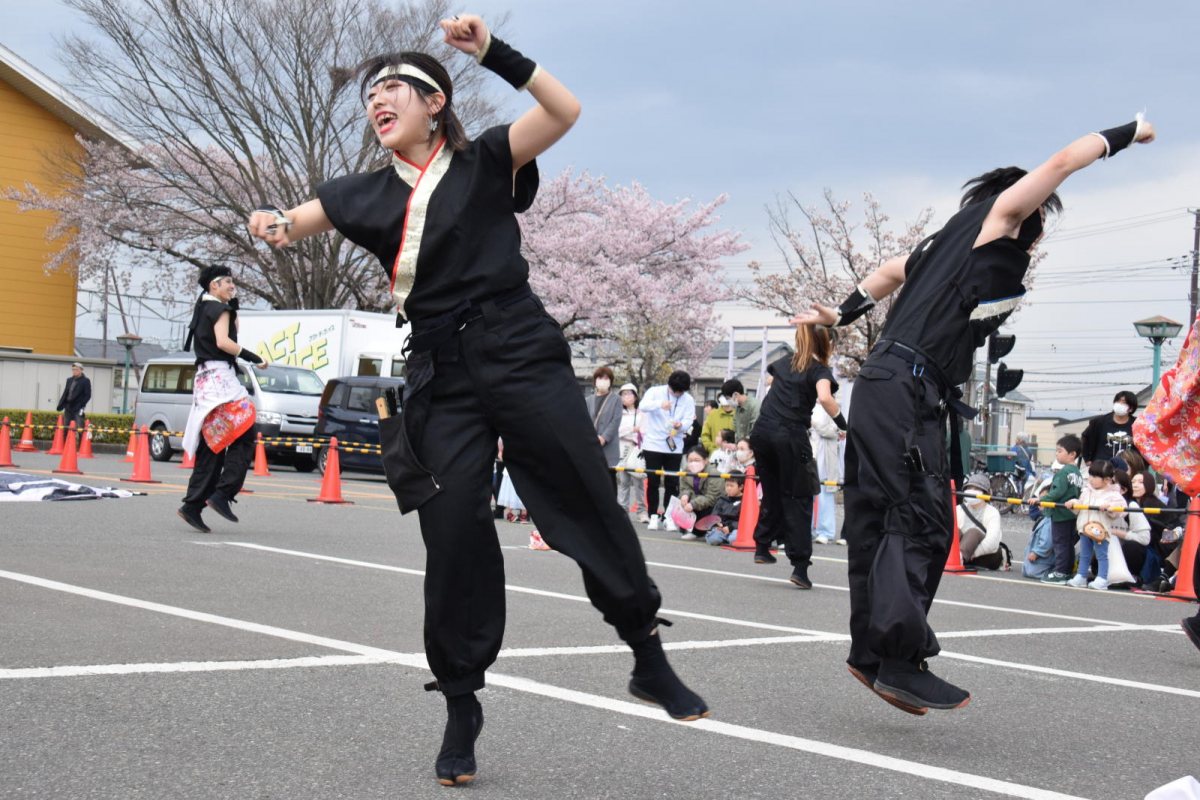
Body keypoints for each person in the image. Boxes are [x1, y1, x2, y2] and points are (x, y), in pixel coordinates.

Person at [246, 18, 708, 785]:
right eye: (369, 95)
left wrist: (494, 52)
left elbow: (564, 112)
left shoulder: (488, 159)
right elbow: (291, 224)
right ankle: (462, 704)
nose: (376, 101)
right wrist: (270, 224)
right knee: (454, 532)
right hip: (441, 373)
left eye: (392, 88)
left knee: (583, 498)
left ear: (436, 102)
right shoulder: (358, 194)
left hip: (520, 349)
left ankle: (646, 654)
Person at [792, 113, 1155, 712]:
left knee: (889, 519)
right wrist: (1131, 129)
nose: (1032, 240)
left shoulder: (939, 245)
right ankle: (898, 661)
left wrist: (840, 314)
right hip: (907, 388)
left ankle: (875, 655)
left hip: (893, 385)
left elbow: (887, 273)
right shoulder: (997, 221)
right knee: (919, 521)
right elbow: (1065, 160)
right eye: (1036, 227)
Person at [748, 323, 845, 588]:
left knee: (772, 490)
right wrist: (844, 423)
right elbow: (825, 398)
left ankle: (763, 545)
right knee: (799, 497)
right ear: (829, 345)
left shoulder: (783, 363)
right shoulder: (819, 370)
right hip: (790, 437)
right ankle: (800, 567)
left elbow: (771, 382)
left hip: (762, 433)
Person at [177, 266, 268, 533]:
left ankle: (193, 505)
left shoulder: (205, 308)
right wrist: (255, 358)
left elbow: (232, 329)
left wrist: (233, 304)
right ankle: (222, 494)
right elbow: (225, 341)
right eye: (227, 281)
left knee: (213, 442)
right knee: (245, 432)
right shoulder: (220, 310)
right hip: (221, 382)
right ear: (213, 286)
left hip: (207, 382)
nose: (232, 285)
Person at [639, 371, 696, 532]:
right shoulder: (655, 391)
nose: (677, 394)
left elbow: (688, 419)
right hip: (653, 444)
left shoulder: (688, 399)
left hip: (674, 445)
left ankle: (669, 515)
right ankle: (652, 515)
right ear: (669, 385)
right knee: (653, 481)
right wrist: (659, 404)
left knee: (672, 482)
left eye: (681, 392)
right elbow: (642, 406)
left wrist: (681, 425)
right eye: (675, 391)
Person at [1065, 460, 1124, 590]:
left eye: (1095, 476)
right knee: (1085, 554)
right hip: (1084, 528)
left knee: (1101, 555)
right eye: (1090, 475)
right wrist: (1073, 503)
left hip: (1100, 530)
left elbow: (1121, 508)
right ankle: (1081, 576)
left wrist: (1110, 507)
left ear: (1107, 479)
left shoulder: (1113, 494)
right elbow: (1080, 504)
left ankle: (1102, 578)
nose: (1091, 479)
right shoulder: (1087, 490)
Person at [1038, 435, 1085, 584]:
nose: (1057, 454)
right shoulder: (1077, 472)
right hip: (1072, 514)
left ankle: (1060, 572)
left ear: (1072, 454)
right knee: (1068, 543)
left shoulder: (1064, 472)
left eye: (1060, 451)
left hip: (1060, 513)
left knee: (1060, 543)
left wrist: (1041, 500)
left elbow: (1057, 492)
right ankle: (1067, 571)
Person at [956, 474, 1005, 570]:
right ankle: (955, 557)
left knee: (973, 532)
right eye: (969, 488)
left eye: (976, 489)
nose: (971, 491)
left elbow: (992, 542)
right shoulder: (958, 509)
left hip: (986, 555)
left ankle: (959, 557)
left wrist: (974, 553)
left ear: (985, 493)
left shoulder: (992, 512)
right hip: (965, 554)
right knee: (954, 530)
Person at [585, 367, 622, 491]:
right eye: (600, 378)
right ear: (595, 380)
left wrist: (604, 437)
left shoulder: (616, 399)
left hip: (609, 446)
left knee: (610, 480)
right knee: (593, 481)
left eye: (606, 378)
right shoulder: (588, 400)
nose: (602, 381)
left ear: (610, 381)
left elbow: (616, 420)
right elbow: (585, 421)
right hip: (592, 446)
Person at [676, 445, 724, 541]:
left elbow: (712, 497)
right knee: (681, 501)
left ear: (705, 461)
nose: (693, 463)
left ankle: (699, 532)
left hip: (712, 505)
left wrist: (694, 504)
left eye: (697, 460)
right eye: (690, 460)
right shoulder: (686, 470)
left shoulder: (714, 473)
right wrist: (685, 495)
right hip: (697, 499)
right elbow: (685, 488)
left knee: (705, 507)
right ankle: (687, 528)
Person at [811, 405, 843, 545]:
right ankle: (809, 530)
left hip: (826, 458)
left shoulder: (834, 409)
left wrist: (815, 424)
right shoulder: (810, 406)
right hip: (811, 455)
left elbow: (835, 431)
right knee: (808, 495)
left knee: (825, 495)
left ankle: (826, 531)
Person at [1111, 469, 1150, 583]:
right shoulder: (1098, 503)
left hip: (1125, 554)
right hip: (1107, 553)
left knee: (1133, 547)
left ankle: (1132, 576)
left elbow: (1144, 538)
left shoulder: (1131, 506)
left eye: (1112, 483)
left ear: (1123, 490)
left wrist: (1116, 533)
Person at [1081, 391, 1139, 466]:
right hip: (1102, 466)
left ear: (1131, 408)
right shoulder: (1100, 422)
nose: (1120, 404)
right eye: (1118, 401)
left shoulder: (1137, 425)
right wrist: (1087, 458)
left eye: (1124, 402)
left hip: (1128, 468)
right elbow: (1085, 437)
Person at [615, 383, 648, 521]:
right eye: (623, 394)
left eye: (629, 394)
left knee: (639, 481)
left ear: (635, 396)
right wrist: (631, 429)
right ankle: (623, 510)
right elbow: (617, 431)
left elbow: (645, 430)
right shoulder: (618, 412)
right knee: (623, 481)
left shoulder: (643, 413)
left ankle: (642, 511)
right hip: (623, 449)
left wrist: (634, 431)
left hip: (638, 449)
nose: (626, 397)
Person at [1023, 481, 1055, 580]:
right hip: (1038, 554)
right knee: (1028, 571)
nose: (1039, 503)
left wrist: (1036, 552)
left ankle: (1055, 572)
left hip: (1043, 555)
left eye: (1043, 499)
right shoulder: (1044, 517)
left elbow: (1047, 540)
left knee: (1033, 572)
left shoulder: (1050, 520)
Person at [56, 362, 92, 441]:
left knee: (80, 428)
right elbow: (66, 392)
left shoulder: (85, 381)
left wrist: (81, 404)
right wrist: (62, 403)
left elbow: (88, 395)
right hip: (68, 406)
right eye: (73, 370)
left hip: (78, 407)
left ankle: (81, 447)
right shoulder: (69, 380)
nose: (74, 371)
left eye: (76, 369)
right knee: (66, 427)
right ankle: (65, 445)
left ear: (81, 370)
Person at [706, 476, 744, 546]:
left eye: (732, 486)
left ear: (741, 487)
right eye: (727, 485)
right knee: (714, 540)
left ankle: (728, 539)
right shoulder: (722, 499)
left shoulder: (745, 500)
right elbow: (715, 515)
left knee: (733, 539)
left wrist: (730, 527)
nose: (729, 488)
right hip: (723, 527)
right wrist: (719, 524)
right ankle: (723, 538)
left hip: (736, 528)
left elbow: (745, 520)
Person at [722, 378, 761, 444]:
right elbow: (736, 430)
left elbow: (756, 432)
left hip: (752, 448)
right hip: (741, 448)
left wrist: (742, 444)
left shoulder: (755, 406)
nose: (728, 402)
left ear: (736, 394)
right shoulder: (737, 407)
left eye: (728, 398)